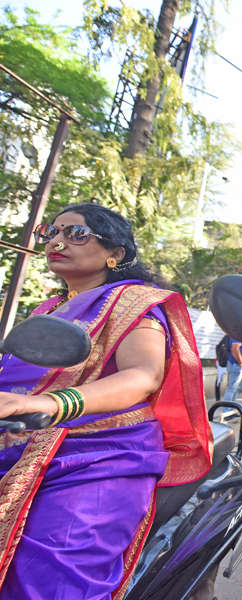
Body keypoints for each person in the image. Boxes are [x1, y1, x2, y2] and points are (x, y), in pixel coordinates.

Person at [0, 203, 211, 598]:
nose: (58, 241)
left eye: (77, 234)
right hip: (21, 443)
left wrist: (50, 404)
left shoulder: (134, 302)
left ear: (116, 254)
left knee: (48, 582)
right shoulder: (49, 308)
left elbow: (143, 376)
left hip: (99, 458)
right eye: (52, 232)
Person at [224, 337, 242, 403]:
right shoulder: (237, 334)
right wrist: (241, 363)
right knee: (232, 388)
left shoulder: (241, 333)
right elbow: (235, 349)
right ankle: (227, 410)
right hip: (237, 364)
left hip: (241, 364)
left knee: (236, 388)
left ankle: (232, 408)